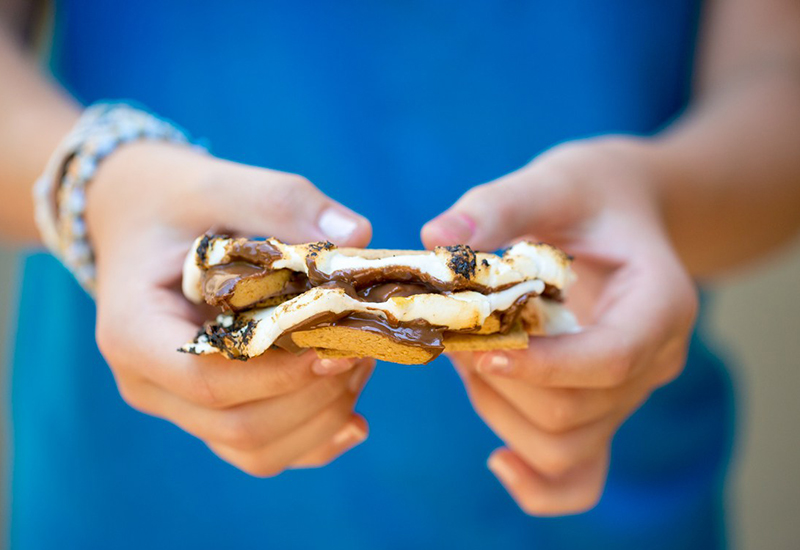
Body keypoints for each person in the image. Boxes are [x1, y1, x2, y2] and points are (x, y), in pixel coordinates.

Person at [1, 1, 799, 548]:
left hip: (605, 492)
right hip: (136, 501)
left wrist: (659, 198)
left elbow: (780, 79)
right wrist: (96, 183)